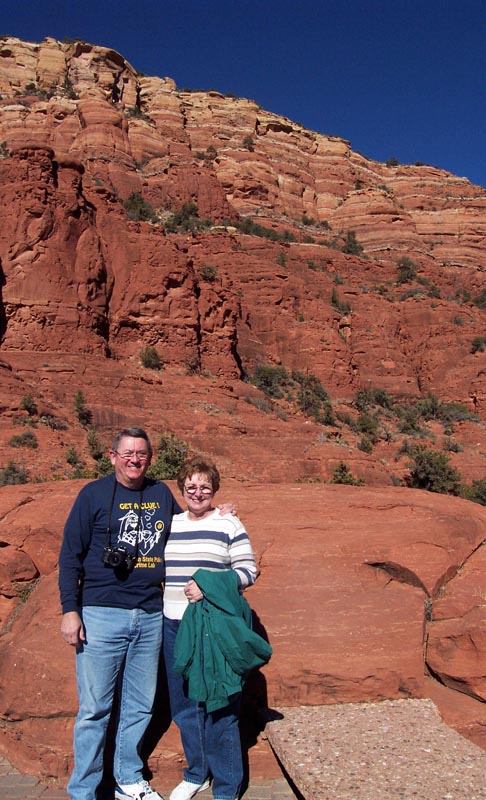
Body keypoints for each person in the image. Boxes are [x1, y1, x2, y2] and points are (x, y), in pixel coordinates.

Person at [59, 427, 182, 800]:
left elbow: (189, 527)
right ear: (112, 457)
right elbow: (70, 556)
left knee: (140, 706)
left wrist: (218, 513)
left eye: (141, 453)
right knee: (95, 709)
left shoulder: (161, 493)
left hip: (148, 614)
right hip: (100, 614)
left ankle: (128, 778)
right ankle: (84, 790)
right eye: (127, 453)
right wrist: (70, 610)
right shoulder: (92, 495)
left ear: (150, 457)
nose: (135, 459)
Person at [163, 457, 266, 800]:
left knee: (220, 705)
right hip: (174, 625)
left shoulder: (228, 523)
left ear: (214, 489)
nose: (197, 492)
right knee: (184, 705)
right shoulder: (171, 524)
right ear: (182, 489)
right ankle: (197, 773)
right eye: (191, 486)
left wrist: (208, 584)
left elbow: (248, 571)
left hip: (212, 627)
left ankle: (226, 787)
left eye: (205, 486)